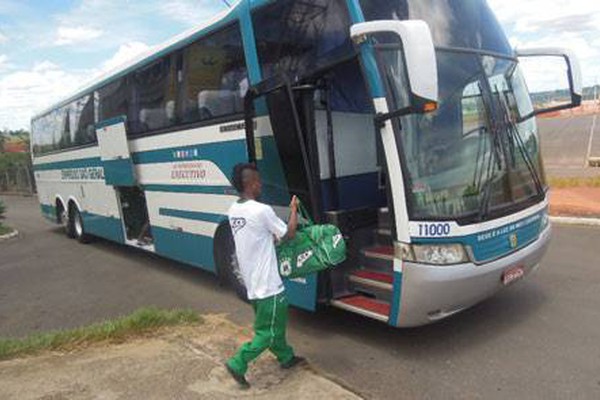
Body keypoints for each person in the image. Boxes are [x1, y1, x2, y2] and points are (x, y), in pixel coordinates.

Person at [225, 163, 305, 388]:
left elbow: (256, 236)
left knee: (273, 327)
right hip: (269, 286)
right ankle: (238, 363)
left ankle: (286, 357)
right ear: (251, 184)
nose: (261, 184)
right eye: (258, 181)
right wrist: (294, 210)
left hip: (253, 285)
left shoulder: (234, 210)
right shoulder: (262, 210)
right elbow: (289, 234)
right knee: (267, 333)